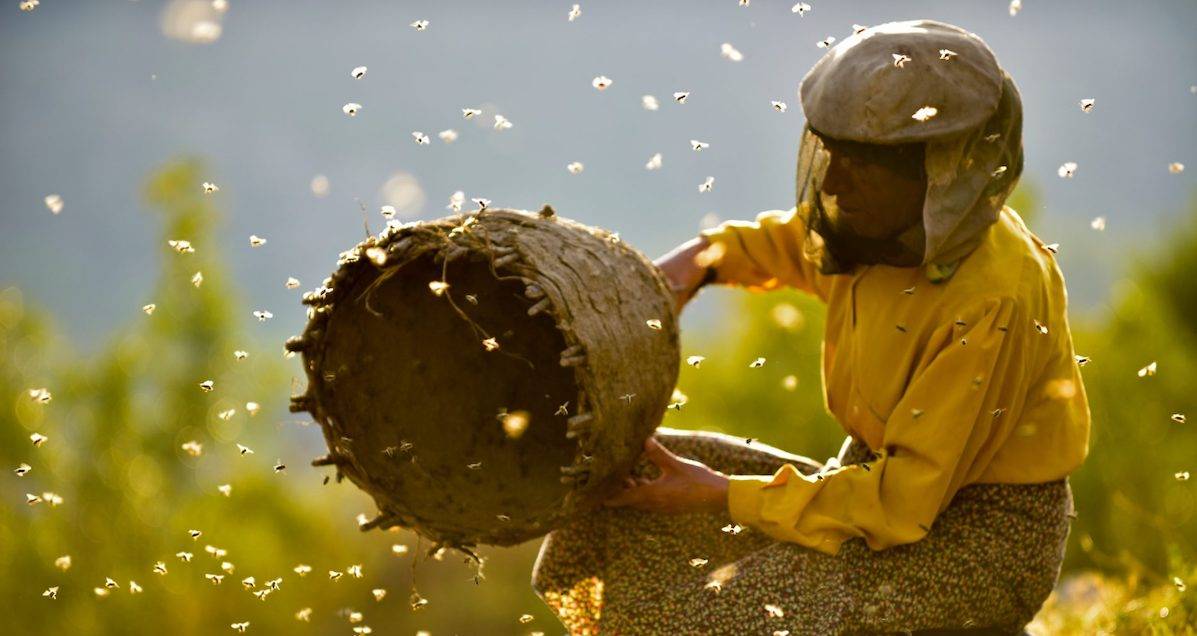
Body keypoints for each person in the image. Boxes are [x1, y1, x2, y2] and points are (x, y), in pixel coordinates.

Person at [531, 20, 1090, 635]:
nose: (832, 182)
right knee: (629, 485)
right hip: (876, 492)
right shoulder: (882, 228)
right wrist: (699, 264)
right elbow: (793, 244)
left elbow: (901, 503)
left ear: (939, 170)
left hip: (975, 542)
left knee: (721, 611)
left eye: (861, 166)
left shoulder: (992, 301)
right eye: (832, 154)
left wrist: (718, 494)